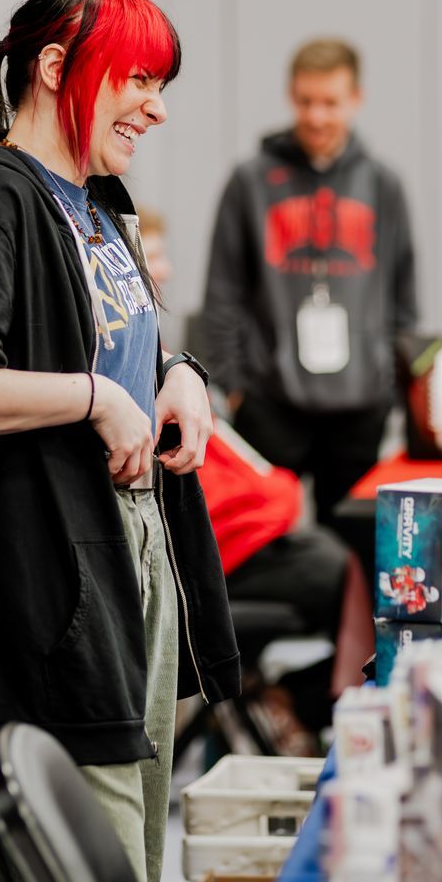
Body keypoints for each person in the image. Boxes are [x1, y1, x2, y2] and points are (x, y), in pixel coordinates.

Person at [0, 0, 240, 882]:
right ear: (54, 68)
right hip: (41, 594)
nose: (157, 109)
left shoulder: (96, 201)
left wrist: (178, 376)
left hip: (125, 573)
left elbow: (121, 345)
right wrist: (91, 401)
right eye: (138, 80)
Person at [144, 209, 367, 748]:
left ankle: (286, 698)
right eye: (152, 257)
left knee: (365, 566)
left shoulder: (159, 350)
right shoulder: (131, 359)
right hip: (227, 547)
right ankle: (295, 701)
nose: (167, 271)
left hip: (256, 534)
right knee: (368, 582)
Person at [201, 38, 419, 528]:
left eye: (330, 103)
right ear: (290, 97)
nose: (316, 116)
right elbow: (222, 293)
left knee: (355, 546)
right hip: (271, 402)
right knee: (270, 543)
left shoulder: (383, 186)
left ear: (355, 100)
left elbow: (404, 297)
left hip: (360, 406)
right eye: (305, 101)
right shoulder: (250, 182)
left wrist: (390, 384)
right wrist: (235, 387)